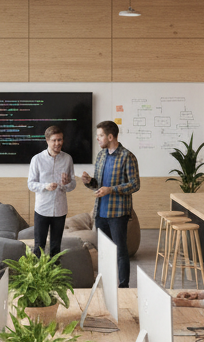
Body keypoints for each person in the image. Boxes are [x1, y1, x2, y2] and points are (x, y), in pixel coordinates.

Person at [80, 120, 140, 287]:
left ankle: (123, 287)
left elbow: (135, 184)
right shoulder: (101, 156)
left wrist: (111, 190)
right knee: (104, 253)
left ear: (110, 136)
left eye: (100, 136)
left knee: (121, 251)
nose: (98, 139)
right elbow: (98, 184)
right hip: (100, 212)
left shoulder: (128, 156)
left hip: (118, 213)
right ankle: (106, 284)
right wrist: (89, 181)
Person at [27, 125, 77, 256]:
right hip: (42, 208)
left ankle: (55, 275)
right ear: (47, 140)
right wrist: (45, 186)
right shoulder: (37, 159)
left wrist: (66, 184)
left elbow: (73, 184)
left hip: (60, 209)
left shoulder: (68, 159)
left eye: (60, 140)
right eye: (54, 140)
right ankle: (39, 275)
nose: (57, 143)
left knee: (56, 247)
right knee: (39, 246)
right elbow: (31, 184)